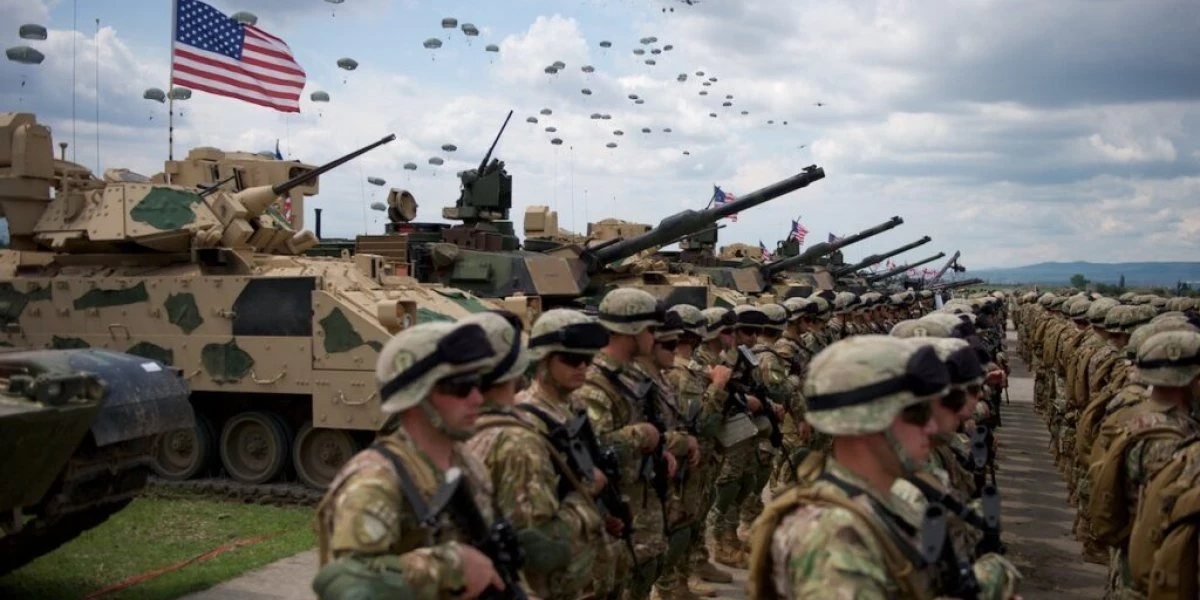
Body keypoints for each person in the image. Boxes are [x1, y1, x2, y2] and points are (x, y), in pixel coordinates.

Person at [312, 321, 514, 600]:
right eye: (461, 387)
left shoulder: (467, 463)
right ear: (416, 396)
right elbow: (346, 585)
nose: (478, 398)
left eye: (478, 383)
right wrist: (448, 567)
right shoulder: (376, 480)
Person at [748, 335, 944, 599]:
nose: (932, 427)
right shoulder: (834, 537)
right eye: (918, 414)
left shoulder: (880, 503)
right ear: (867, 420)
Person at [464, 310, 612, 600]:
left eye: (588, 359)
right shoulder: (518, 440)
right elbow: (539, 549)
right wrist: (585, 498)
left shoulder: (459, 432)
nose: (582, 366)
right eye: (571, 359)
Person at [571, 288, 675, 600]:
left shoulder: (627, 375)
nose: (654, 337)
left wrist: (662, 448)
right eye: (650, 330)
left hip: (637, 501)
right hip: (609, 512)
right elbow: (593, 450)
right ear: (633, 330)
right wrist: (641, 435)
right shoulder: (595, 382)